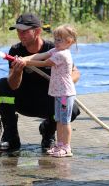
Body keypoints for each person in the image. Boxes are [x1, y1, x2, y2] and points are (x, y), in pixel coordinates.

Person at [0, 13, 80, 152]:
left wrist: (65, 82)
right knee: (2, 86)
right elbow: (13, 85)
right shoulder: (16, 51)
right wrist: (17, 71)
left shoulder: (54, 48)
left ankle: (48, 132)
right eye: (18, 31)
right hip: (24, 101)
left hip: (48, 99)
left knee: (71, 108)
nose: (21, 35)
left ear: (38, 31)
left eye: (25, 31)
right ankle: (11, 138)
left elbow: (76, 72)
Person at [21, 24, 77, 157]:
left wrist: (27, 63)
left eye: (59, 40)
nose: (56, 42)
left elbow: (45, 63)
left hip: (64, 94)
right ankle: (59, 145)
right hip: (58, 93)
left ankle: (66, 147)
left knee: (64, 121)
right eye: (55, 39)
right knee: (58, 119)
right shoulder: (56, 50)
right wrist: (25, 58)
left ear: (68, 42)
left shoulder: (62, 55)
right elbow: (41, 55)